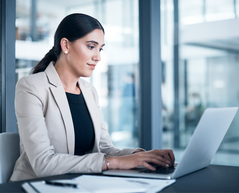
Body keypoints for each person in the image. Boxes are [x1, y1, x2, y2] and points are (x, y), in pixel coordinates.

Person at [10, 13, 175, 181]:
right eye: (91, 46)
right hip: (35, 184)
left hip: (81, 182)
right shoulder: (31, 87)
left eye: (100, 48)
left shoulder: (89, 91)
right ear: (65, 45)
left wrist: (141, 155)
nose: (98, 57)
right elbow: (43, 163)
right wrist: (111, 163)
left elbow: (104, 149)